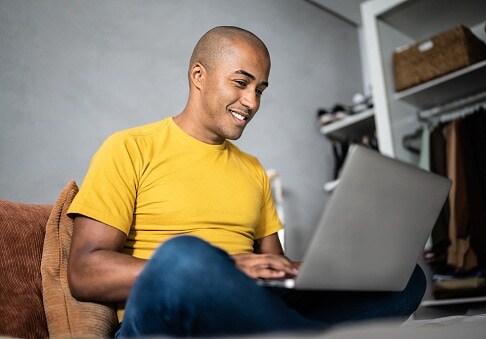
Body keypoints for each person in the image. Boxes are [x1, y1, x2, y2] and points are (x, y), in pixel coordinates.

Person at [67, 26, 426, 337]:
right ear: (198, 75)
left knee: (403, 278)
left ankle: (291, 332)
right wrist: (224, 265)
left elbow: (275, 268)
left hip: (246, 309)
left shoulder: (252, 169)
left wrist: (324, 267)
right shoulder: (130, 147)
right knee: (184, 255)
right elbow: (84, 271)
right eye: (241, 83)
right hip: (165, 317)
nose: (251, 101)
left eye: (260, 89)